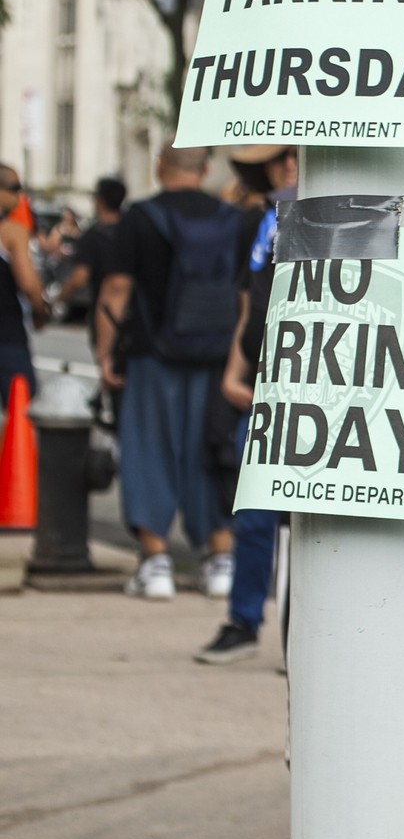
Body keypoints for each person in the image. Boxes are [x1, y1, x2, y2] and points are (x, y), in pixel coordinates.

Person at [96, 145, 255, 602]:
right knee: (210, 449)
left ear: (158, 167)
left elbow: (117, 287)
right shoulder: (232, 219)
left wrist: (106, 354)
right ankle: (219, 558)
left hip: (153, 354)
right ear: (204, 170)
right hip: (217, 354)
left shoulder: (140, 217)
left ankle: (156, 562)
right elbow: (244, 293)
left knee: (149, 450)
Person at [196, 146, 298, 664]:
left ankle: (300, 636)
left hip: (303, 392)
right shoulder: (266, 220)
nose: (286, 165)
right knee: (255, 515)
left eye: (293, 156)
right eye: (279, 158)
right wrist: (234, 373)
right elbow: (250, 307)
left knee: (305, 525)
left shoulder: (317, 217)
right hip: (262, 390)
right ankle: (245, 620)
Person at [0, 165, 51, 400]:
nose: (20, 195)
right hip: (6, 333)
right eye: (15, 187)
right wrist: (40, 313)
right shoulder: (12, 232)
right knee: (20, 400)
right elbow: (28, 284)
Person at [61, 176, 125, 342]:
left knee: (106, 355)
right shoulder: (131, 231)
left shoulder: (93, 236)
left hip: (104, 310)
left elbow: (79, 277)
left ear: (99, 201)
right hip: (133, 312)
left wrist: (59, 298)